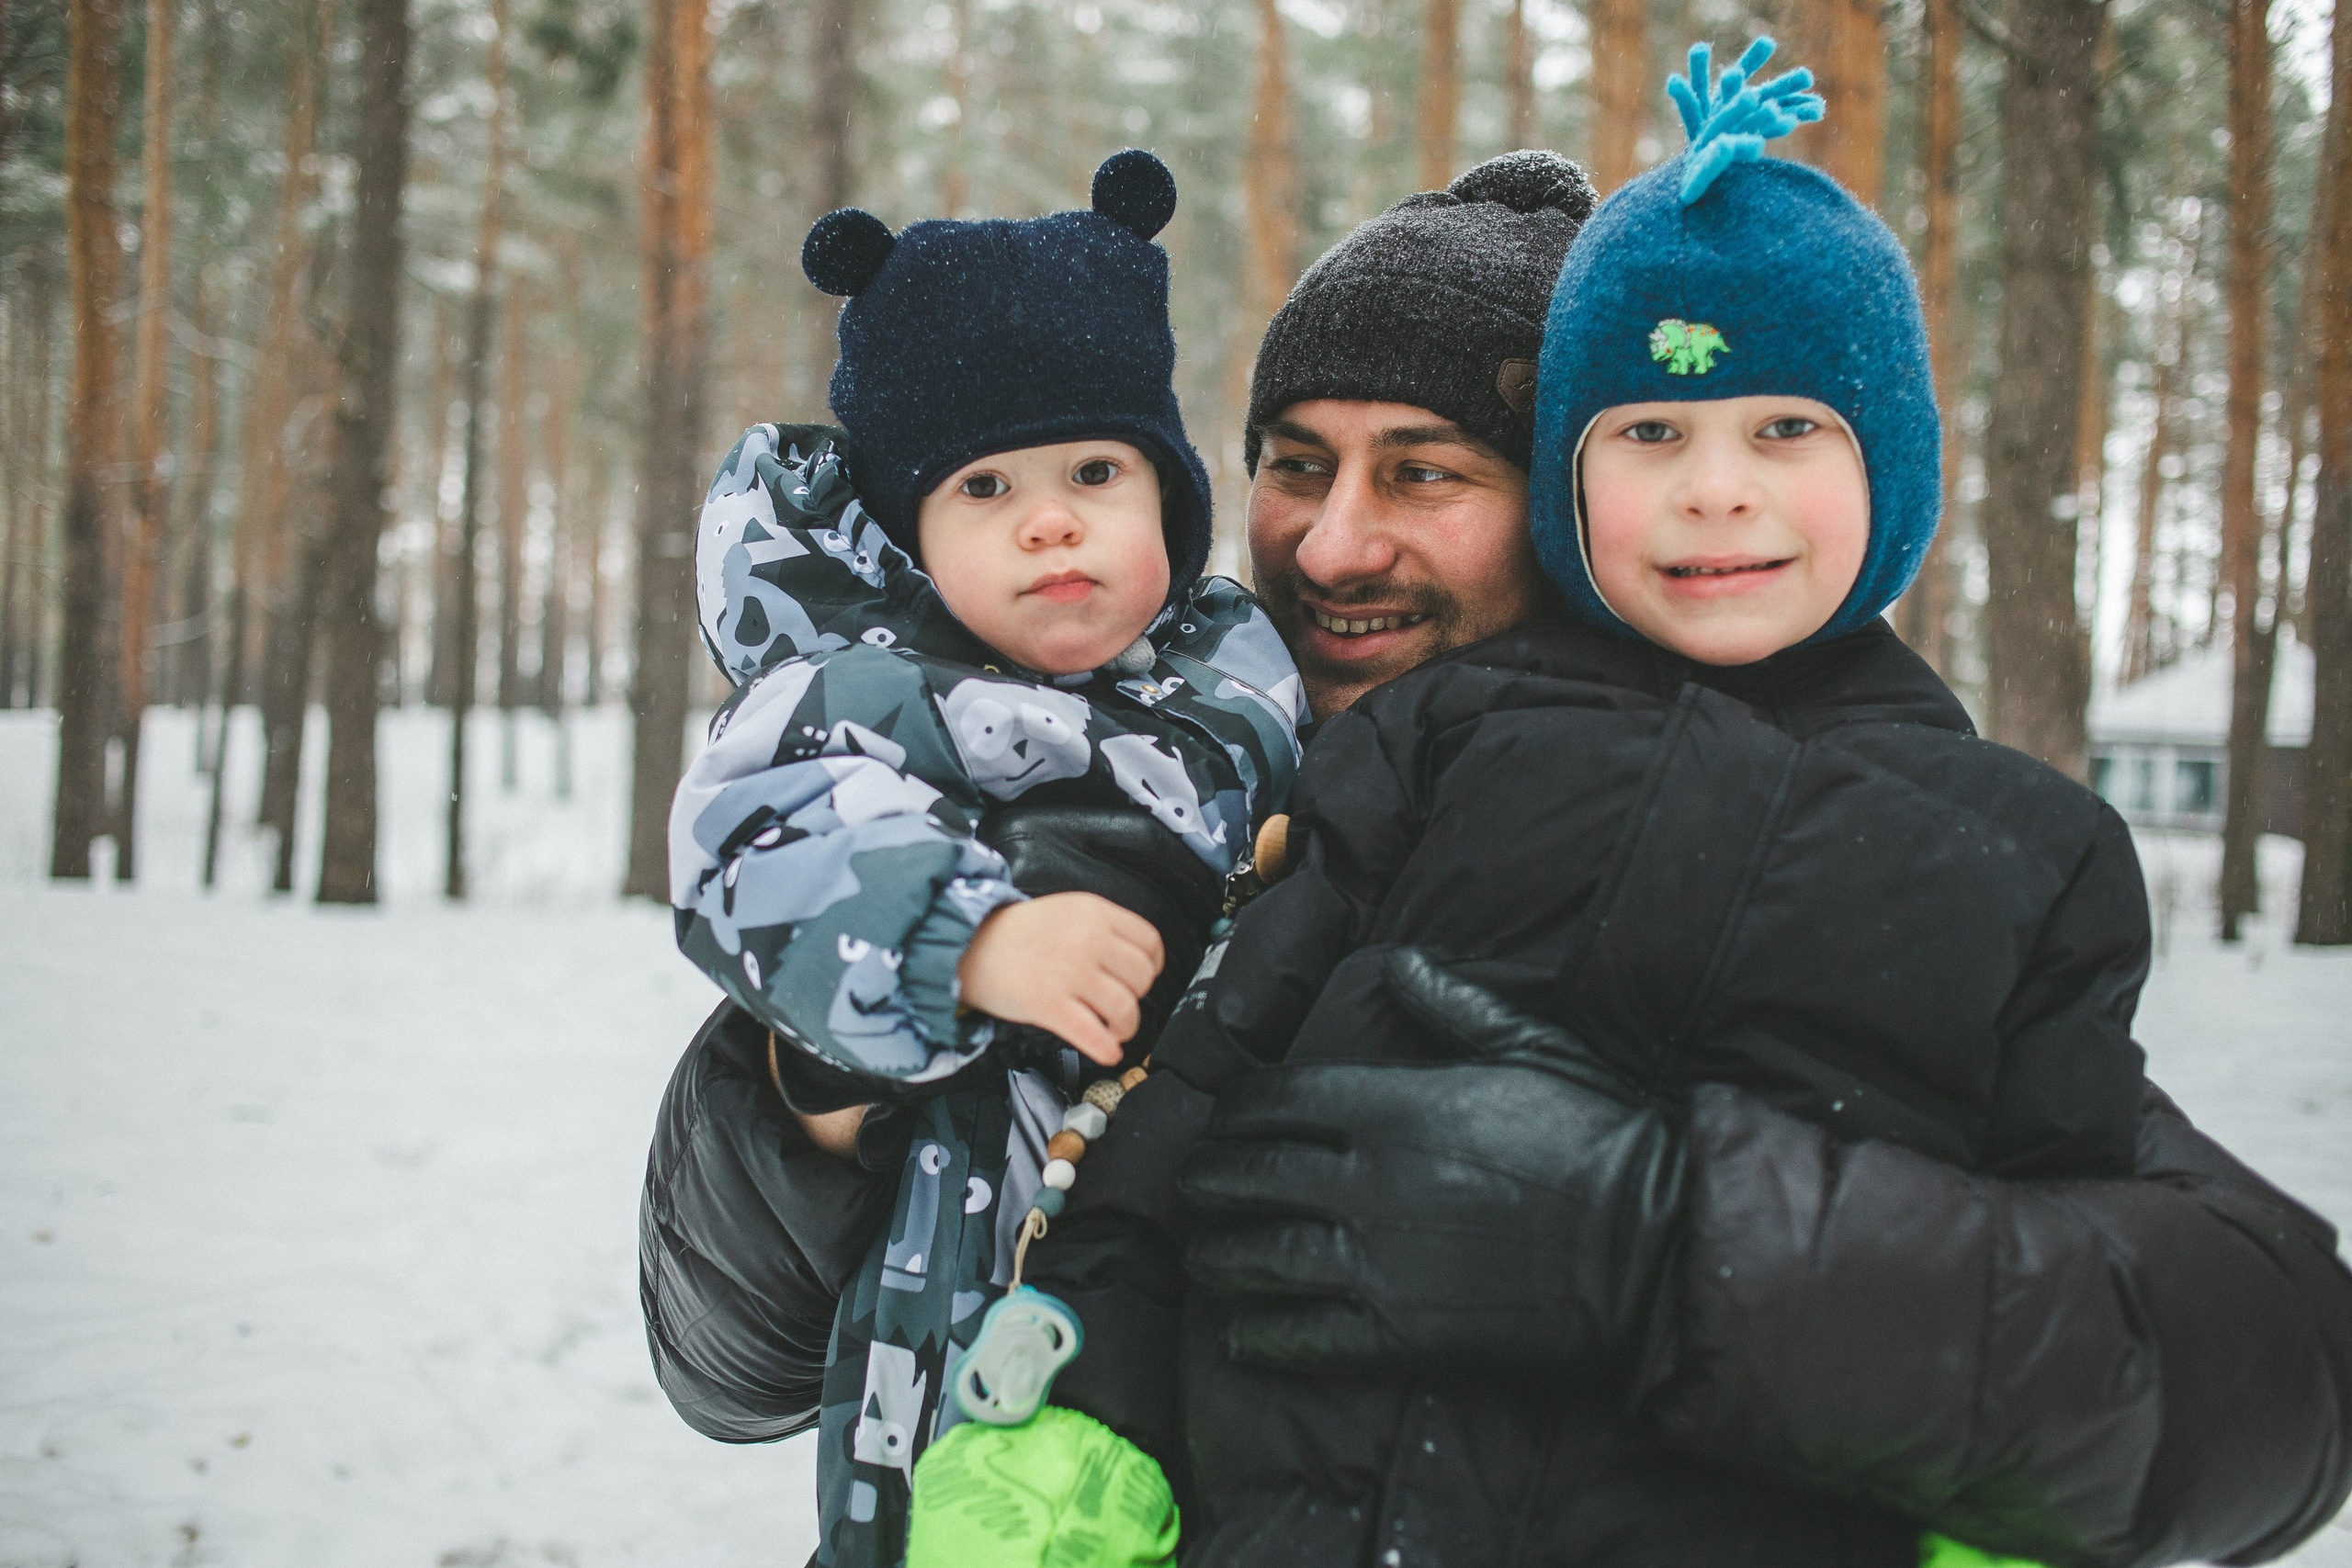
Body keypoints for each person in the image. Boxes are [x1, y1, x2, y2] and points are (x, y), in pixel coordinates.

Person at [639, 138, 2352, 1568]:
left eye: (1425, 471)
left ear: (1569, 502)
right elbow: (727, 1368)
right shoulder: (1085, 783)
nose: (1337, 539)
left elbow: (2266, 1383)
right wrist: (826, 1066)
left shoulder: (1840, 835)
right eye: (1293, 467)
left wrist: (1661, 1241)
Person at [658, 148, 1304, 1568]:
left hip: (1207, 1270)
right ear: (912, 534)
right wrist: (974, 940)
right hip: (961, 1273)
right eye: (986, 487)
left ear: (1171, 496)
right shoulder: (862, 692)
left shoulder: (1244, 678)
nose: (1051, 518)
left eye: (1095, 470)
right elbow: (746, 843)